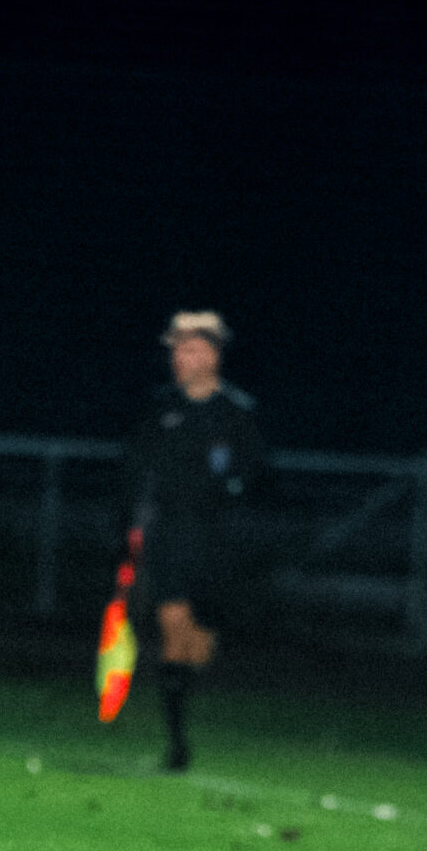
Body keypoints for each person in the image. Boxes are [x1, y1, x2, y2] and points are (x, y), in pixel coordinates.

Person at [123, 310, 266, 772]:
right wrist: (133, 522)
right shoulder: (160, 408)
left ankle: (183, 705)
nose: (180, 359)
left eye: (190, 349)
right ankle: (177, 742)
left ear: (212, 354)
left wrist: (231, 493)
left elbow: (255, 475)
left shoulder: (238, 412)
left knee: (198, 644)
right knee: (173, 625)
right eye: (177, 350)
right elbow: (136, 468)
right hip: (169, 535)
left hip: (217, 540)